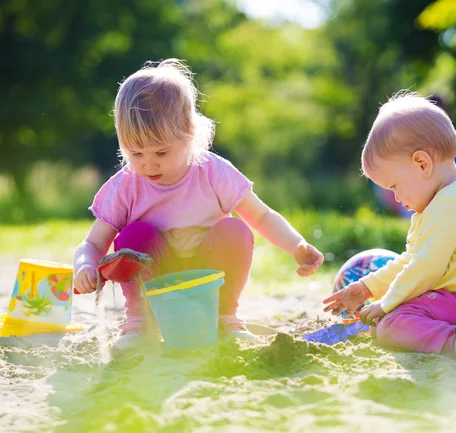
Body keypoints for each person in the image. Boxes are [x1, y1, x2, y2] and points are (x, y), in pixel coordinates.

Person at [73, 59, 324, 350]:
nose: (148, 163)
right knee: (131, 236)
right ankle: (140, 321)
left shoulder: (213, 172)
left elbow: (262, 216)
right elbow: (92, 242)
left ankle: (224, 316)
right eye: (136, 152)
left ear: (189, 132)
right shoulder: (126, 185)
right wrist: (85, 265)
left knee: (235, 230)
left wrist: (297, 245)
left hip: (209, 277)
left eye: (161, 151)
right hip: (157, 279)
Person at [323, 93, 456, 370]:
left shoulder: (450, 203)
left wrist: (386, 304)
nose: (396, 198)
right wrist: (367, 288)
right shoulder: (442, 200)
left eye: (395, 186)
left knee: (391, 324)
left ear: (422, 164)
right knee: (386, 322)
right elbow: (410, 260)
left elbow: (426, 268)